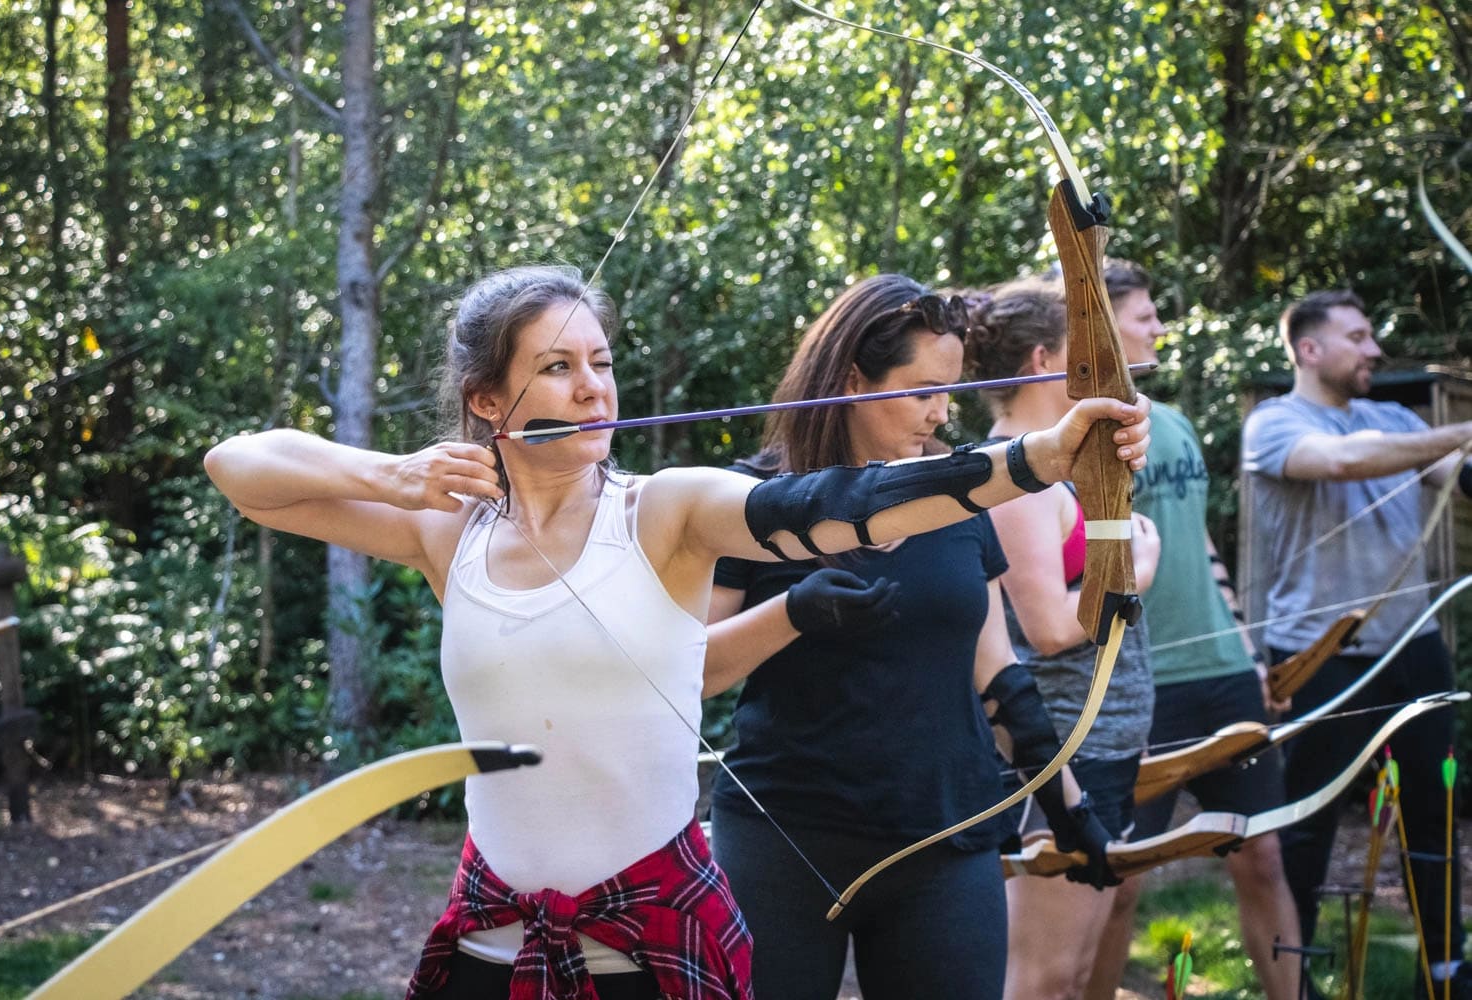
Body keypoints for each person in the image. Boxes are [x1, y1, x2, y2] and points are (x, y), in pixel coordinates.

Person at [203, 264, 1153, 1000]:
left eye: (602, 364)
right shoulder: (445, 531)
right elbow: (240, 466)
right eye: (557, 367)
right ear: (489, 402)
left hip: (654, 927)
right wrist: (394, 478)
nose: (592, 388)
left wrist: (1039, 457)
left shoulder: (667, 509)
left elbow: (837, 504)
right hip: (496, 923)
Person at [703, 273, 1123, 1000]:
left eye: (949, 392)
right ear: (848, 381)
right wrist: (792, 612)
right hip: (784, 837)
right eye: (922, 389)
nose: (939, 412)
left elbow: (998, 675)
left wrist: (1066, 807)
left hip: (944, 841)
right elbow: (692, 669)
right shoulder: (748, 504)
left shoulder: (960, 499)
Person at [1242, 288, 1471, 999]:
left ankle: (1447, 969)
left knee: (1435, 816)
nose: (1375, 350)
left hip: (1414, 649)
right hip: (1321, 656)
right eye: (1359, 336)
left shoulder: (1394, 416)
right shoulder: (1274, 425)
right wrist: (1459, 431)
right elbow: (1346, 463)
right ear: (1309, 350)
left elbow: (1457, 478)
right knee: (1306, 829)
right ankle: (1298, 978)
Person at [1083, 260, 1301, 1000]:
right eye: (1143, 316)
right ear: (1101, 325)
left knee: (1262, 856)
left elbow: (1200, 542)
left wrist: (1243, 646)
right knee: (1115, 880)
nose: (1158, 329)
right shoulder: (1073, 435)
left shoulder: (1169, 422)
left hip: (1221, 675)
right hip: (1134, 682)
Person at [963, 276, 1160, 1000]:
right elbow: (1048, 628)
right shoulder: (1017, 477)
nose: (1104, 368)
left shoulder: (1052, 470)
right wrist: (1142, 559)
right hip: (1063, 754)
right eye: (1087, 354)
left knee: (1078, 973)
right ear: (1046, 360)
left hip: (1104, 744)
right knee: (1044, 980)